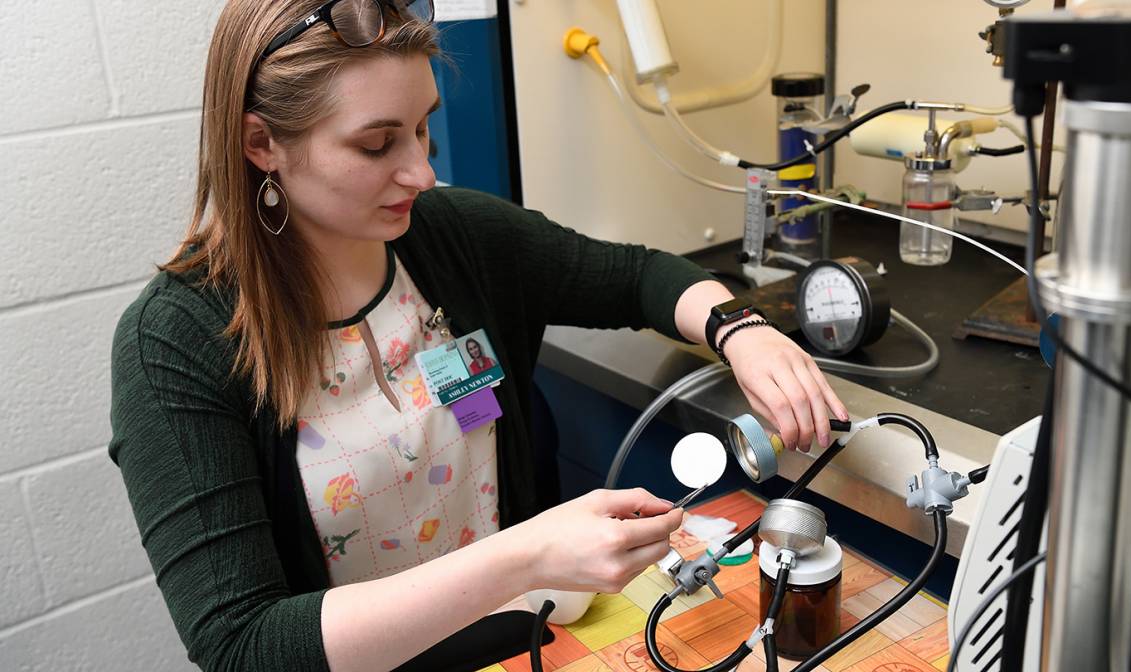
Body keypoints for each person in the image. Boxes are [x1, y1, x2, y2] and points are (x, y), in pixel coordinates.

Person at [107, 1, 849, 670]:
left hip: (532, 645)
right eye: (377, 145)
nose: (422, 172)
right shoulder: (176, 340)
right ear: (261, 143)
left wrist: (741, 328)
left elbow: (636, 276)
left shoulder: (450, 236)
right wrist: (525, 557)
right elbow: (242, 645)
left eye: (425, 126)